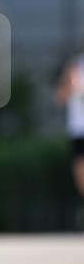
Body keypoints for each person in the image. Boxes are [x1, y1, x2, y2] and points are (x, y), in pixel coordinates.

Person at [56, 52, 84, 206]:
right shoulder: (75, 66)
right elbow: (60, 99)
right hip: (79, 130)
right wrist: (68, 82)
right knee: (80, 172)